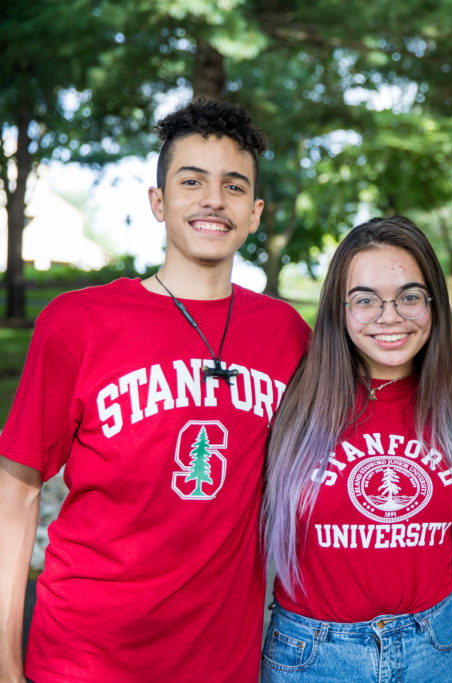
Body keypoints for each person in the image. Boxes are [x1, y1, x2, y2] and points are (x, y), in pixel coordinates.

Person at [0, 99, 310, 681]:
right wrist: (4, 662)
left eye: (234, 187)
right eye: (191, 181)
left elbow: (383, 380)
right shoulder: (77, 322)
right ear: (157, 202)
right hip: (83, 657)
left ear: (255, 213)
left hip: (221, 661)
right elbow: (14, 491)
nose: (213, 200)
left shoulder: (286, 334)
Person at [260, 216, 452, 682]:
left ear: (434, 305)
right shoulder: (294, 394)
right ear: (338, 310)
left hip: (433, 648)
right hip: (313, 654)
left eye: (409, 297)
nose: (389, 316)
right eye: (365, 300)